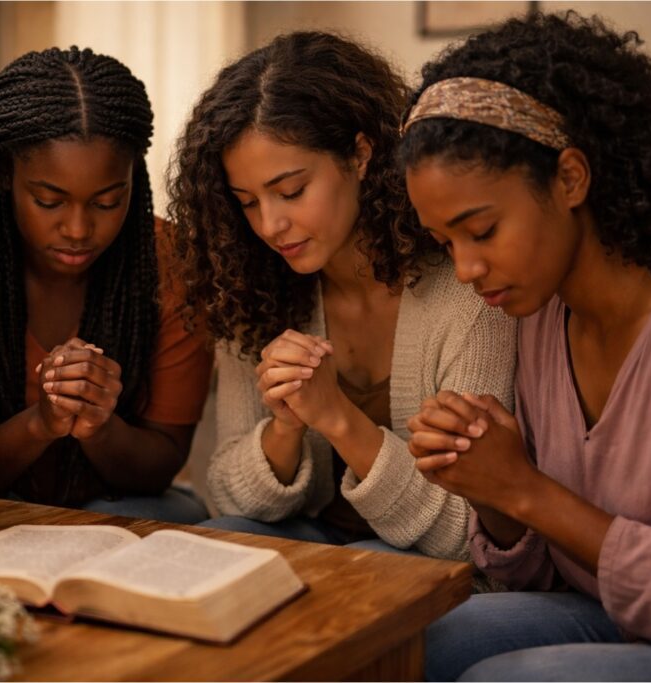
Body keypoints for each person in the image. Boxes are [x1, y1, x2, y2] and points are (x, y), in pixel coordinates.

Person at [400, 12, 651, 680]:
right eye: (446, 242)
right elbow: (539, 572)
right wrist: (487, 487)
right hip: (610, 612)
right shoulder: (538, 314)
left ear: (570, 178)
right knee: (405, 637)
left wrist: (527, 489)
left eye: (481, 229)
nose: (467, 268)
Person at [167, 31, 515, 557]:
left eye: (290, 191)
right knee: (217, 551)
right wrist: (284, 429)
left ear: (360, 154)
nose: (270, 224)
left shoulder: (468, 295)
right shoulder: (248, 290)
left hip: (432, 567)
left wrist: (335, 417)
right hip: (315, 542)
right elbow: (228, 498)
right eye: (247, 202)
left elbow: (465, 533)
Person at [0, 47, 212, 523]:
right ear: (5, 178)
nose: (78, 229)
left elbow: (161, 464)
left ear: (134, 184)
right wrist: (40, 424)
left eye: (107, 202)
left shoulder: (168, 263)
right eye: (49, 200)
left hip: (121, 502)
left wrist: (97, 425)